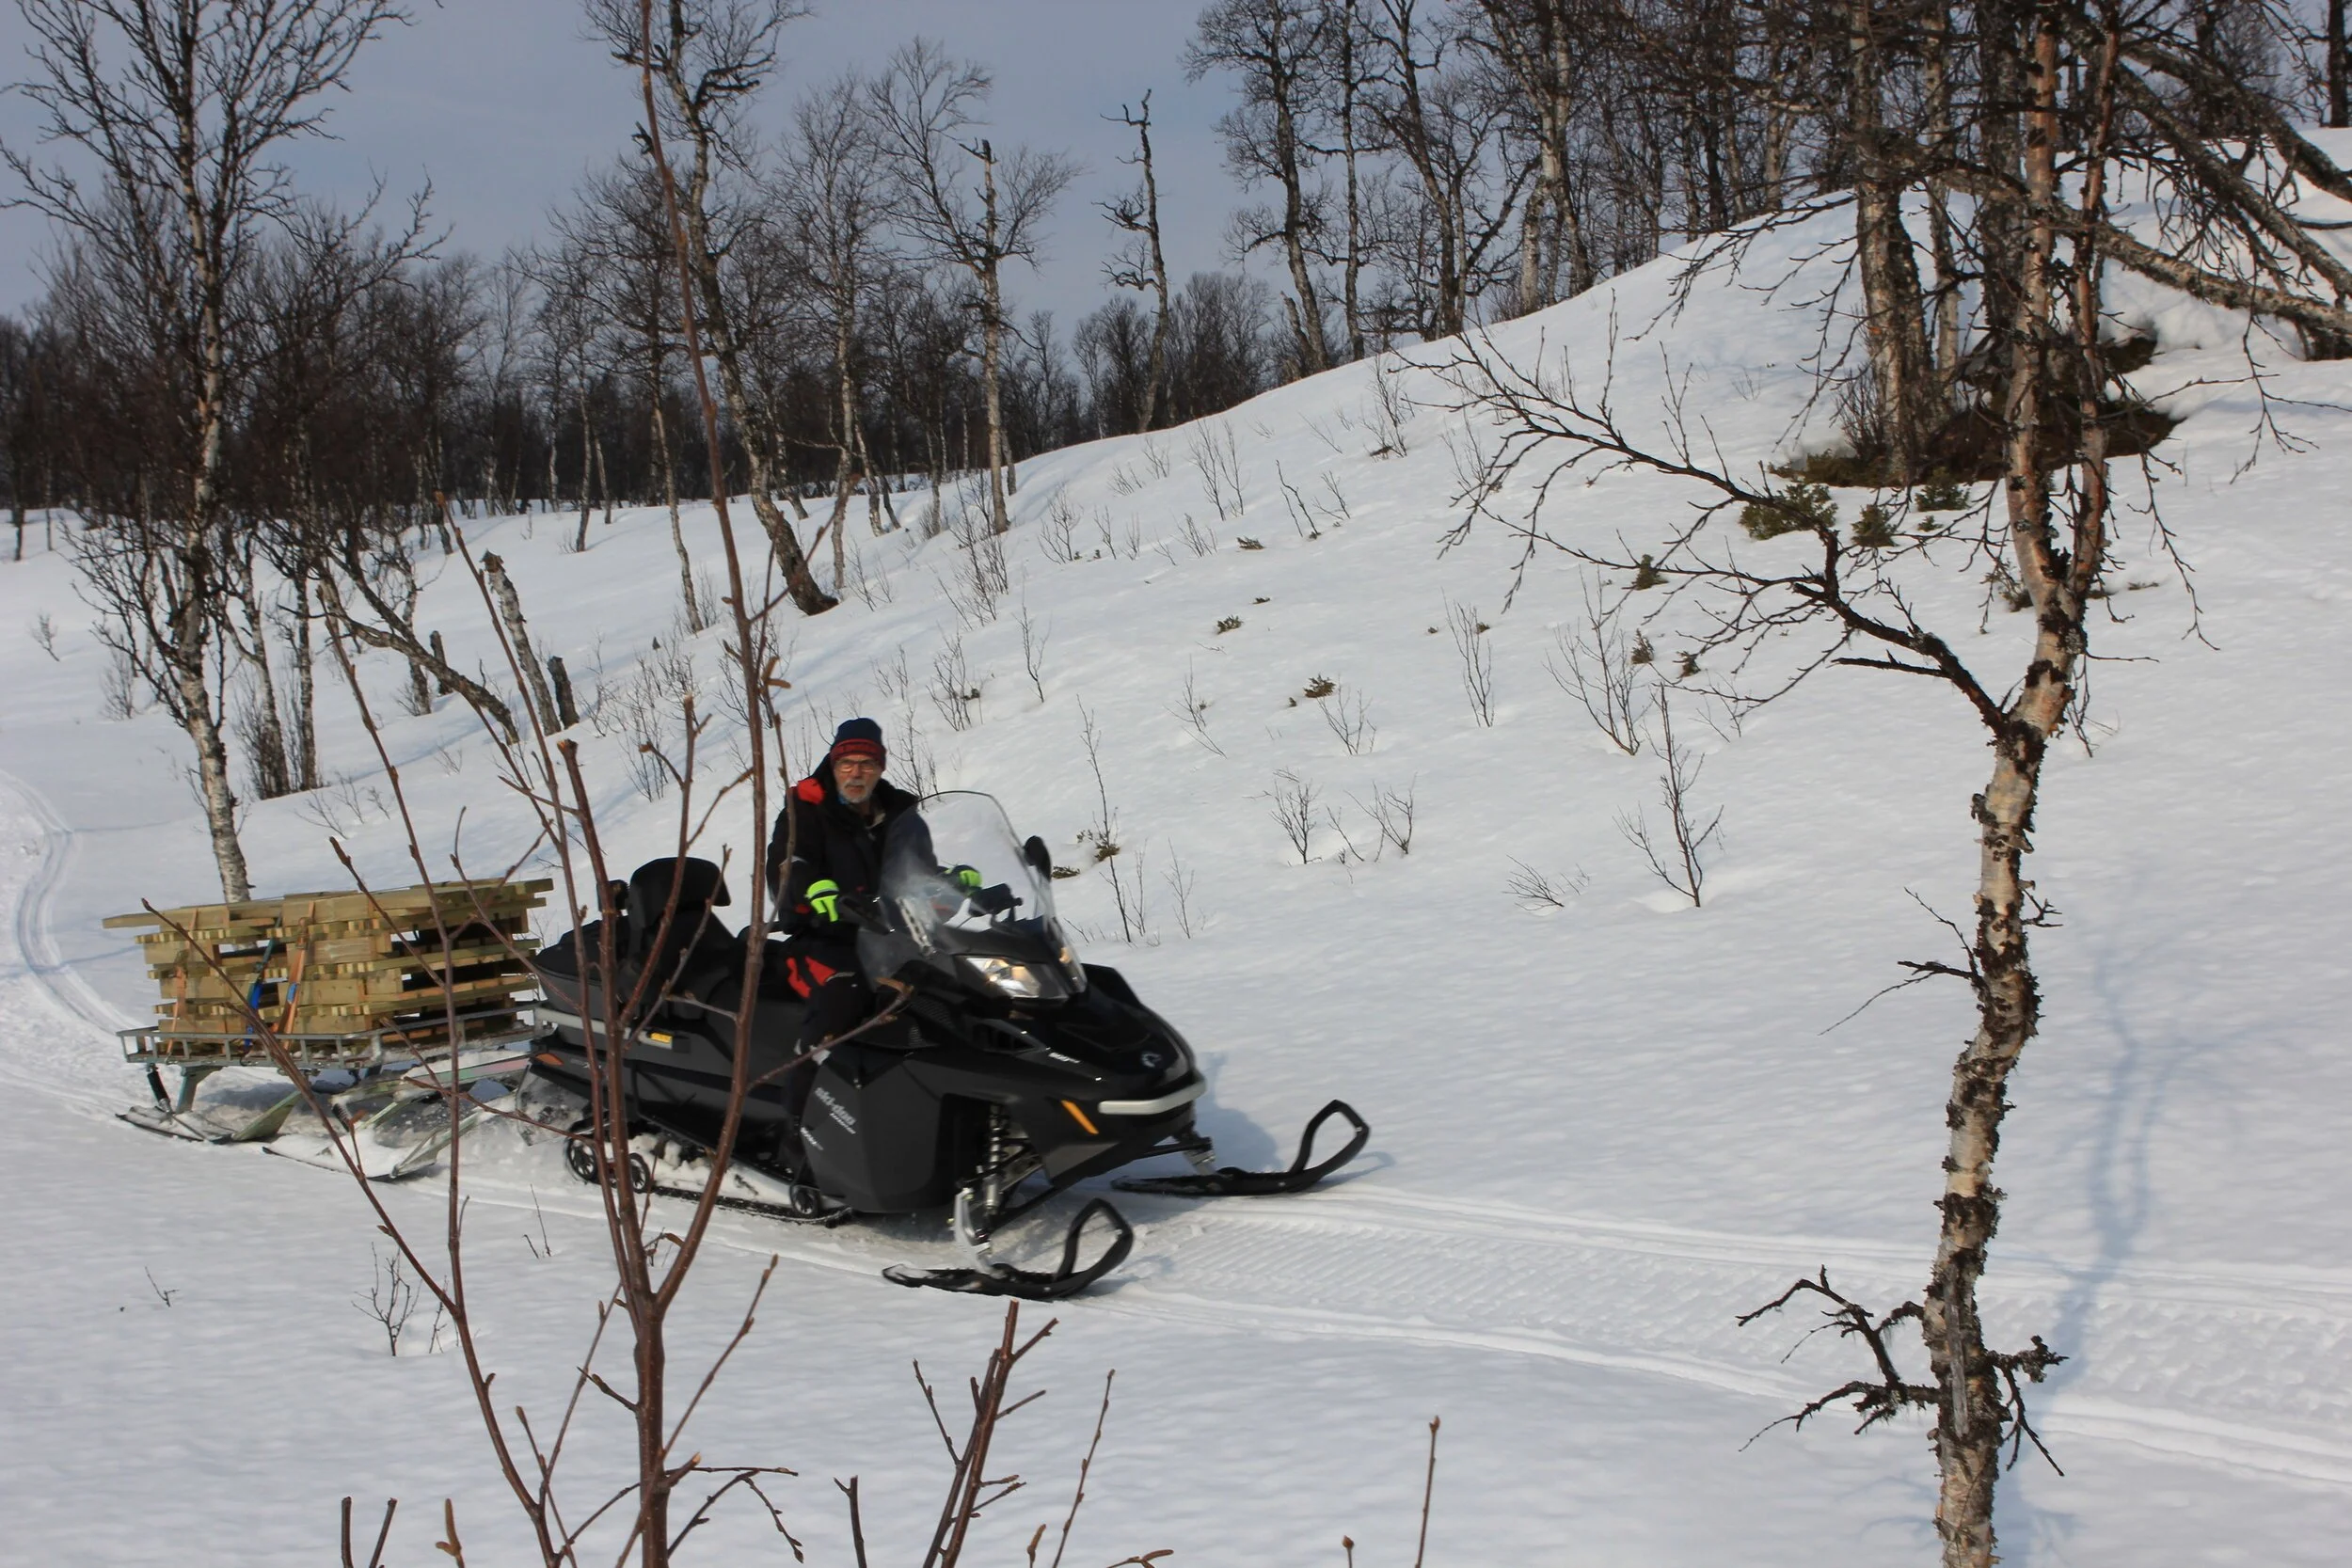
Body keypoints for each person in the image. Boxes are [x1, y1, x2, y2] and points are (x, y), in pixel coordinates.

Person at [762, 718, 920, 1164]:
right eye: (848, 762)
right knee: (843, 996)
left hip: (891, 937)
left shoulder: (900, 811)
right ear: (833, 765)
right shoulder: (806, 806)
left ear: (881, 767)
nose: (856, 773)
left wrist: (954, 881)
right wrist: (814, 890)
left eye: (866, 763)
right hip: (822, 940)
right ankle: (796, 1131)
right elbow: (788, 861)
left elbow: (919, 866)